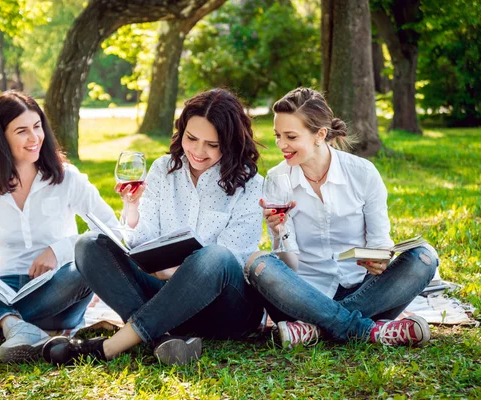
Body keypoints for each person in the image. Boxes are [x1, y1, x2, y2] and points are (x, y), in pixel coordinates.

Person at [43, 88, 265, 365]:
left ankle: (111, 346)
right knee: (89, 244)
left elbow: (235, 259)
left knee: (216, 256)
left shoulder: (251, 184)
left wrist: (173, 273)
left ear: (229, 143)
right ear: (181, 131)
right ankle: (165, 339)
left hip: (226, 310)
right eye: (191, 138)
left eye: (212, 144)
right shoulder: (164, 170)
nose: (198, 151)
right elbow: (142, 240)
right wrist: (132, 207)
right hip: (166, 298)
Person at [244, 87, 439, 348]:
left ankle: (315, 329)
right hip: (302, 297)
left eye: (290, 136)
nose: (281, 145)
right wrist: (280, 233)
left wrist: (379, 260)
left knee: (424, 257)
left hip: (364, 290)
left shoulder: (362, 173)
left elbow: (381, 242)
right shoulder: (278, 180)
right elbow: (288, 266)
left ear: (320, 135)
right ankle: (368, 330)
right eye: (278, 135)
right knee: (260, 265)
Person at [0, 91, 119, 363]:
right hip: (1, 285)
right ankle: (14, 326)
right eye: (22, 131)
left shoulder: (69, 179)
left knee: (84, 268)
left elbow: (111, 231)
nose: (35, 138)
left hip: (57, 293)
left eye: (37, 126)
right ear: (1, 138)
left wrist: (58, 250)